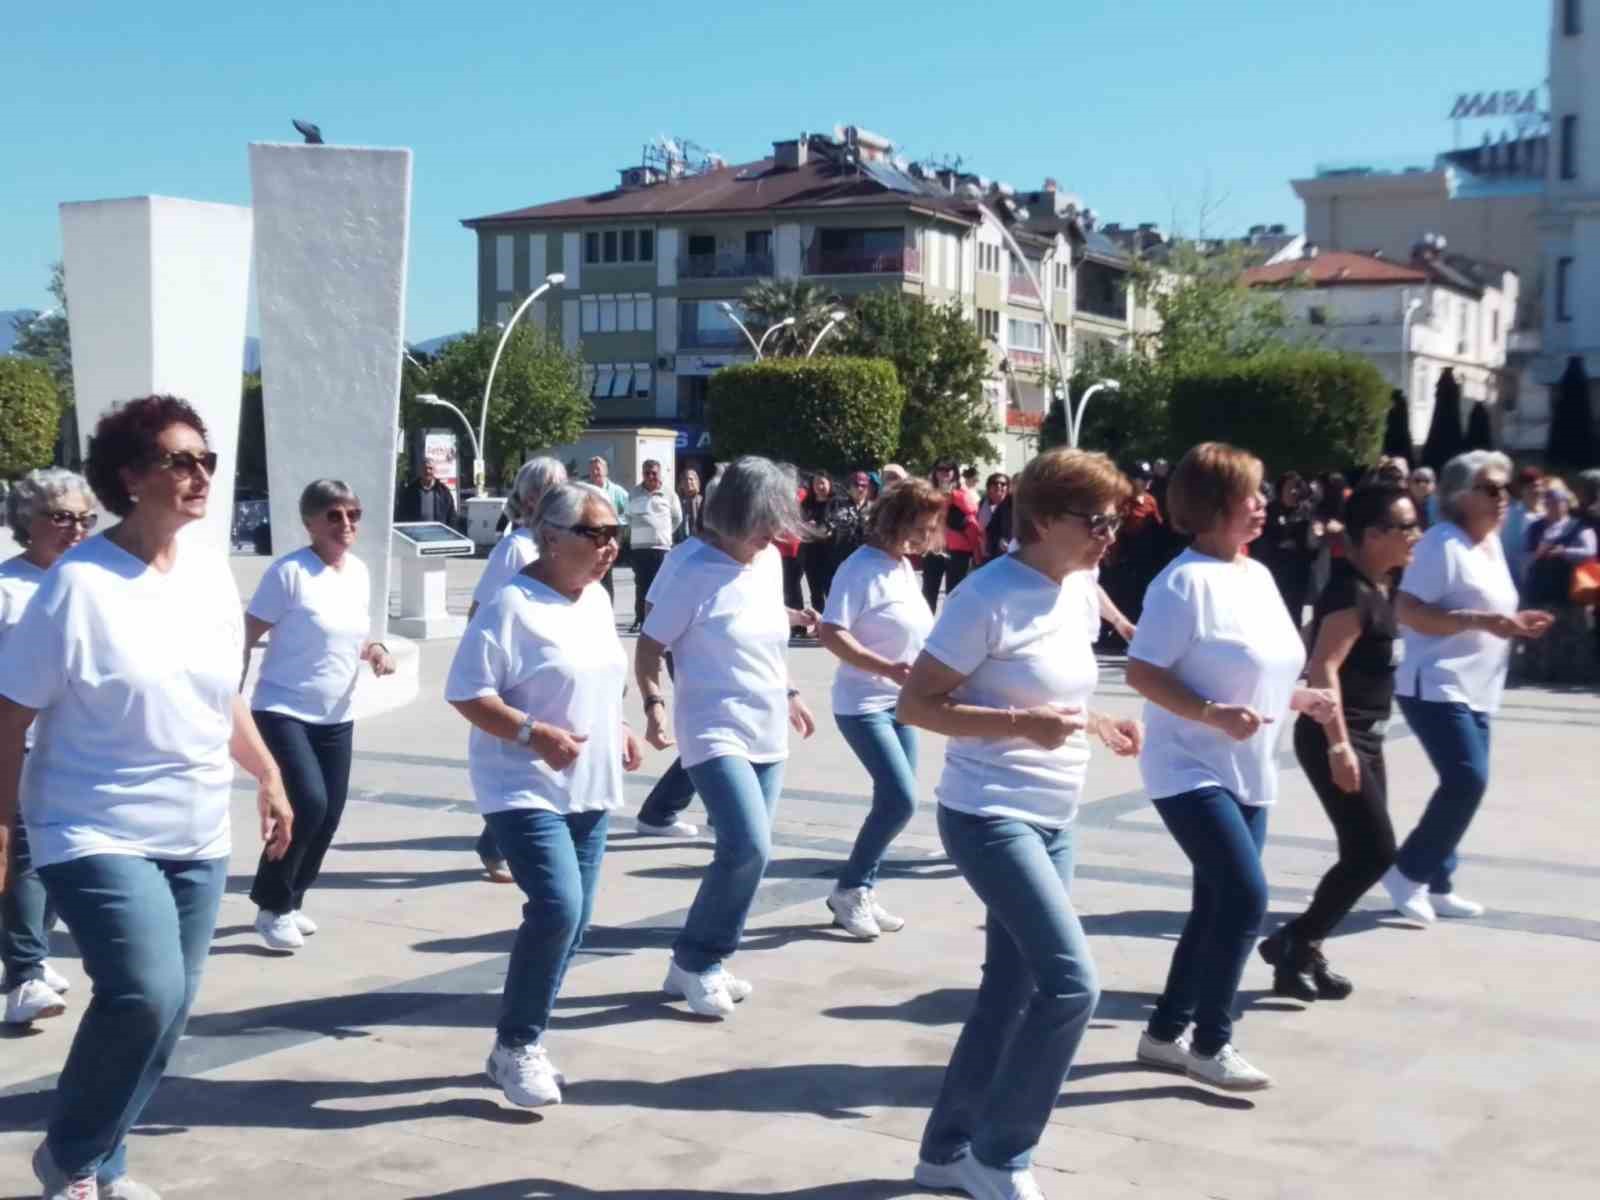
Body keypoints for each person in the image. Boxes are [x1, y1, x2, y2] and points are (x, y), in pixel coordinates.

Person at [0, 395, 291, 1200]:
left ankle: (105, 1161)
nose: (200, 474)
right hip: (90, 824)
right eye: (179, 460)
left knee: (170, 1009)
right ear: (130, 477)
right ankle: (69, 1159)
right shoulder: (77, 585)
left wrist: (266, 773)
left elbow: (221, 697)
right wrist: (2, 828)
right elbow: (10, 714)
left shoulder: (208, 573)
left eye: (207, 460)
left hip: (196, 828)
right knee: (145, 991)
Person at [898, 448, 1143, 1200]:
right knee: (1072, 986)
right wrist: (1018, 726)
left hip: (1054, 815)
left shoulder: (1078, 589)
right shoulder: (986, 596)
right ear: (1042, 519)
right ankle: (1000, 1155)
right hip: (989, 813)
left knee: (1010, 991)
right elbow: (916, 704)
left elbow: (1050, 693)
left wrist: (1097, 722)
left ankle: (945, 1153)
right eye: (1096, 521)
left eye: (1115, 521)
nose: (1108, 536)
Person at [1125, 442, 1336, 1092]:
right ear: (1215, 505)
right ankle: (1211, 1043)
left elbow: (1261, 667)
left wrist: (1300, 698)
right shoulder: (1181, 583)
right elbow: (1142, 672)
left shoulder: (1258, 575)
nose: (1263, 503)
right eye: (1251, 493)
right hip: (1187, 767)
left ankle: (1163, 1034)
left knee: (1214, 904)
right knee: (1245, 896)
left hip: (1250, 768)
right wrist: (1211, 713)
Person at [446, 482, 642, 1107]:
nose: (610, 547)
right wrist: (533, 733)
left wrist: (621, 725)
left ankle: (520, 1041)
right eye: (596, 534)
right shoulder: (511, 605)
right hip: (522, 786)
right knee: (557, 908)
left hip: (590, 785)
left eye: (616, 534)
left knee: (575, 923)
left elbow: (600, 677)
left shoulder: (595, 599)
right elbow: (467, 692)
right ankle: (518, 1045)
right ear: (551, 537)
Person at [635, 456, 817, 1018]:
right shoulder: (692, 570)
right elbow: (649, 646)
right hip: (713, 729)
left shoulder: (767, 563)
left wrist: (790, 691)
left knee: (750, 857)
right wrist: (654, 706)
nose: (774, 534)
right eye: (765, 520)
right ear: (735, 513)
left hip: (767, 727)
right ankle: (701, 961)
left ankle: (692, 963)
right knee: (747, 845)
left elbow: (762, 632)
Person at [1258, 484, 1420, 1000]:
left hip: (1366, 737)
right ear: (1373, 534)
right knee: (1374, 851)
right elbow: (1324, 666)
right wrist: (1338, 746)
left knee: (1363, 853)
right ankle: (1295, 941)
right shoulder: (1351, 592)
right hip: (1337, 736)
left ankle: (1300, 954)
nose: (1415, 535)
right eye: (1406, 527)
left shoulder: (1382, 585)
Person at [1383, 450, 1553, 923]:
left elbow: (1489, 610)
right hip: (1435, 684)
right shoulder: (1441, 544)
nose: (1504, 498)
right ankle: (1407, 872)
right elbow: (1408, 610)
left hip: (1478, 685)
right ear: (1460, 495)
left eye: (1506, 488)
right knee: (1466, 780)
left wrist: (1514, 621)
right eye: (1491, 488)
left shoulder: (1490, 544)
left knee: (1464, 784)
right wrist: (1480, 621)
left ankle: (1438, 882)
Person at [242, 480, 396, 952]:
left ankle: (291, 900)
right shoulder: (289, 573)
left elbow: (356, 633)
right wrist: (227, 697)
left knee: (328, 814)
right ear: (309, 522)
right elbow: (244, 634)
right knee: (306, 805)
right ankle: (271, 907)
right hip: (283, 709)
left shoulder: (359, 572)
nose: (345, 523)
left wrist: (376, 648)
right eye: (333, 515)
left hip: (337, 714)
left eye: (353, 514)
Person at [817, 479, 945, 939]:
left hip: (902, 702)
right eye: (920, 527)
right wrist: (884, 667)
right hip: (863, 704)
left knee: (896, 802)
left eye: (930, 528)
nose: (926, 537)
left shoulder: (903, 567)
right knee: (899, 799)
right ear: (895, 521)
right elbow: (831, 632)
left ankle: (861, 889)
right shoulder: (860, 568)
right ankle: (850, 888)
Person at [1, 469, 95, 1026]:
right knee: (23, 857)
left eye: (86, 519)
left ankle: (31, 949)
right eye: (61, 517)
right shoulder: (8, 588)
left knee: (61, 854)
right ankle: (24, 976)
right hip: (17, 745)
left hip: (78, 746)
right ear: (26, 521)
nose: (76, 529)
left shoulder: (90, 583)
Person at [468, 457, 568, 883]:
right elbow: (481, 609)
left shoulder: (560, 545)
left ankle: (498, 842)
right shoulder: (517, 548)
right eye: (552, 488)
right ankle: (497, 845)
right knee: (525, 762)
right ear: (529, 499)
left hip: (551, 668)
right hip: (520, 672)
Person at [626, 459, 683, 633]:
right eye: (647, 473)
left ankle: (660, 620)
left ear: (660, 473)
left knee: (661, 586)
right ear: (642, 474)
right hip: (640, 548)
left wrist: (663, 533)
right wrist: (642, 531)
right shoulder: (634, 492)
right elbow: (628, 516)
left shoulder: (669, 493)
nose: (650, 476)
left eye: (654, 473)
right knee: (641, 585)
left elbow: (677, 518)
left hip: (661, 548)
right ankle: (640, 619)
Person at [1261, 471, 1322, 629]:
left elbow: (1312, 545)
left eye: (1297, 487)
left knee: (1294, 613)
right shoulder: (1269, 510)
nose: (1293, 491)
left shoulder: (1306, 511)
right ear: (1281, 489)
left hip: (1297, 572)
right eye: (1289, 487)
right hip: (1274, 570)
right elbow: (1261, 540)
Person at [800, 471, 849, 611]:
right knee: (815, 592)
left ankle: (834, 619)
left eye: (822, 482)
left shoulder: (837, 503)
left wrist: (822, 527)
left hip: (831, 554)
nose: (819, 486)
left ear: (829, 483)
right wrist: (806, 525)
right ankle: (818, 620)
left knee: (832, 590)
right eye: (816, 483)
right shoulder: (806, 504)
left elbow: (840, 524)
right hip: (811, 554)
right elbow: (799, 523)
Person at [587, 456, 631, 602]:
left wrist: (617, 524)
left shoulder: (617, 491)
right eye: (592, 469)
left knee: (605, 574)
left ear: (606, 471)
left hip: (609, 532)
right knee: (588, 574)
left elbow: (629, 511)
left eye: (598, 469)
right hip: (589, 534)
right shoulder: (585, 490)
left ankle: (607, 607)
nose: (595, 472)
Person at [1500, 466, 1546, 594]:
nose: (1536, 490)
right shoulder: (1508, 514)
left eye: (1539, 486)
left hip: (1540, 580)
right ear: (1522, 489)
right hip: (1510, 579)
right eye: (1531, 487)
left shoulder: (1549, 514)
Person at [395, 456, 457, 526]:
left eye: (430, 468)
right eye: (425, 468)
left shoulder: (444, 492)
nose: (427, 471)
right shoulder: (410, 491)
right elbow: (401, 515)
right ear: (420, 470)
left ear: (435, 470)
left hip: (438, 532)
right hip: (416, 531)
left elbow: (452, 516)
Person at [677, 466, 705, 540]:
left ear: (697, 482)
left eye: (691, 479)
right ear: (681, 483)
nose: (688, 482)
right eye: (685, 479)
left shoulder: (701, 501)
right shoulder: (677, 502)